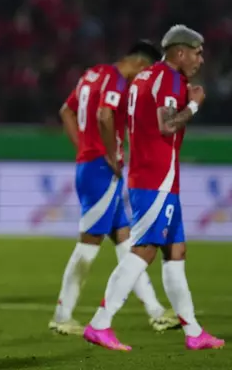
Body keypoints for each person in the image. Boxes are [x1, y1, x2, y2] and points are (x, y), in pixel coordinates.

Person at [84, 25, 225, 351]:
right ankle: (100, 323)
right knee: (145, 249)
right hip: (155, 179)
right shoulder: (169, 79)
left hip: (156, 177)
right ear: (180, 52)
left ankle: (193, 332)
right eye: (197, 52)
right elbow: (166, 124)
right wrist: (194, 106)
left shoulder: (146, 77)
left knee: (176, 252)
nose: (200, 59)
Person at [52, 41, 180, 335]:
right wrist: (109, 154)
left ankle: (155, 311)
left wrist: (84, 148)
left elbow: (66, 112)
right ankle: (61, 315)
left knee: (125, 241)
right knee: (89, 243)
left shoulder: (93, 74)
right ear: (141, 65)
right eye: (147, 74)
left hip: (92, 164)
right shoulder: (117, 81)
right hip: (101, 169)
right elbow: (104, 115)